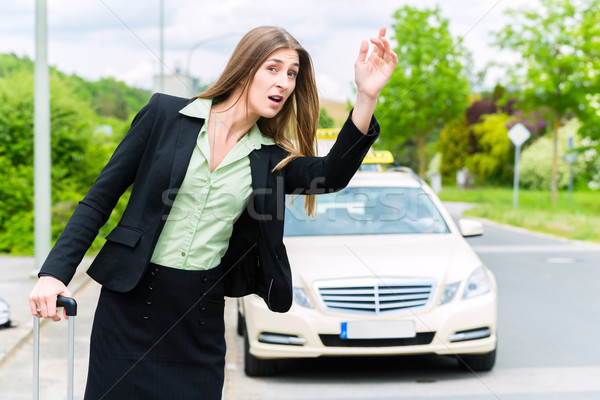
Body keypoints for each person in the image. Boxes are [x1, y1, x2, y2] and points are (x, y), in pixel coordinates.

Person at [29, 25, 398, 399]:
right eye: (273, 68)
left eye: (292, 74)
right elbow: (99, 198)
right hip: (129, 307)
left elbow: (330, 175)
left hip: (197, 316)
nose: (284, 82)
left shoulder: (271, 158)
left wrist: (366, 96)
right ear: (245, 68)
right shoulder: (163, 115)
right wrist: (54, 274)